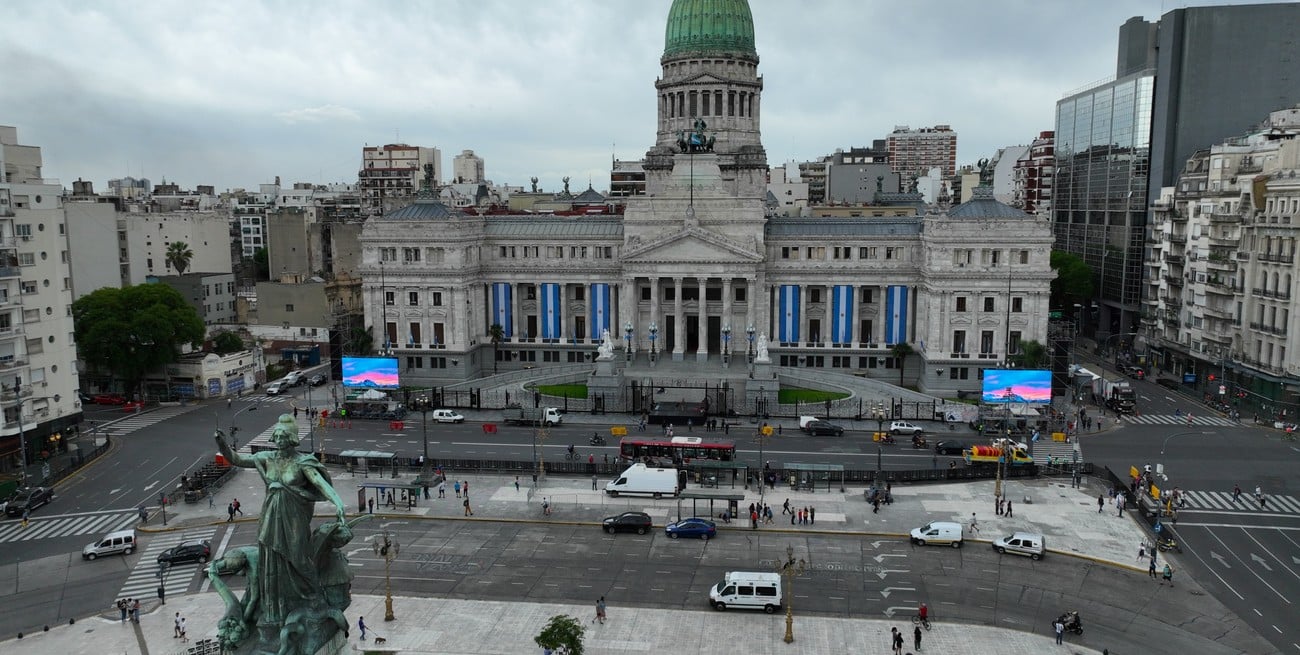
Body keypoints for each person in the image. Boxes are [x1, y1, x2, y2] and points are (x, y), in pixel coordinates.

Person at [214, 414, 349, 639]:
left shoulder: (302, 462)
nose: (279, 440)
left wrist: (338, 503)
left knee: (299, 560)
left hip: (295, 519)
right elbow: (236, 459)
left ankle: (315, 599)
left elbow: (319, 483)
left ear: (292, 438)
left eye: (283, 436)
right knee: (271, 564)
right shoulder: (266, 458)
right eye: (276, 436)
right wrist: (221, 444)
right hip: (270, 518)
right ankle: (276, 609)